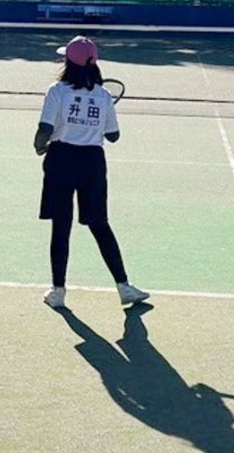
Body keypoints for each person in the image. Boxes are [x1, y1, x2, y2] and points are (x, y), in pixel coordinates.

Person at [34, 35, 149, 309]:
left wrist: (39, 147)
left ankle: (58, 291)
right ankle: (124, 286)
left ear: (67, 62)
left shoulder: (57, 91)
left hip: (61, 160)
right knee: (99, 224)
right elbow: (113, 136)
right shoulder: (104, 95)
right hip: (92, 163)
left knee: (61, 226)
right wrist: (93, 117)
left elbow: (45, 129)